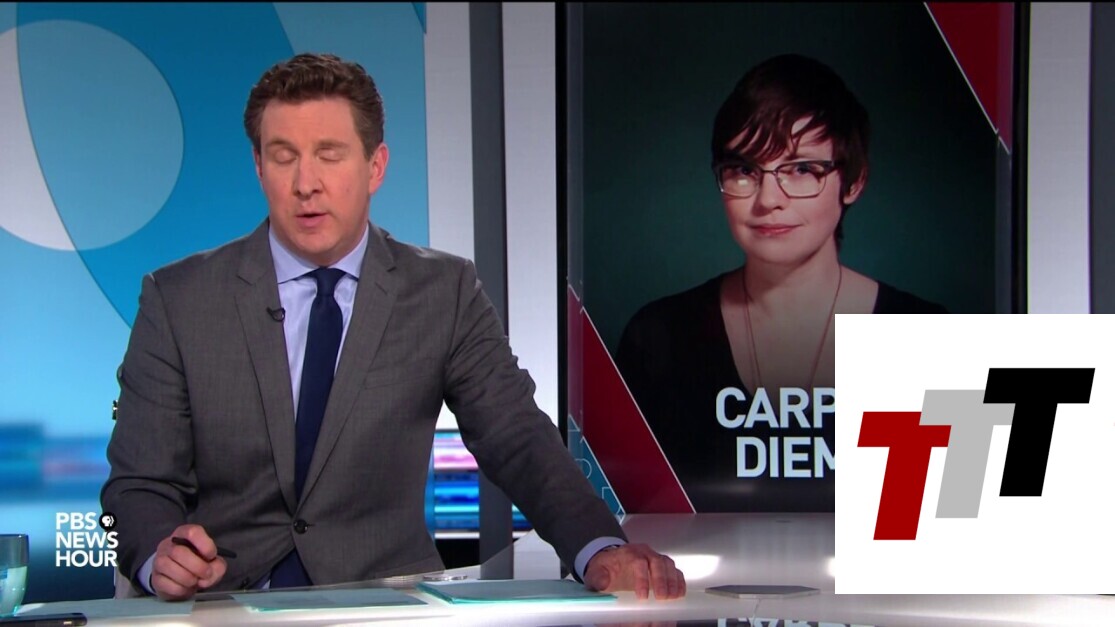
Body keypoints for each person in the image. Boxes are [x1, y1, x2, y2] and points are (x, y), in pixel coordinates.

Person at [102, 52, 684, 601]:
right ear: (259, 167)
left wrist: (599, 548)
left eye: (329, 154)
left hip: (385, 602)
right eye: (283, 156)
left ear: (375, 166)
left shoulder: (442, 291)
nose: (306, 183)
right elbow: (139, 483)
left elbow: (516, 437)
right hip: (224, 604)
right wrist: (160, 559)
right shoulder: (179, 299)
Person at [616, 54, 946, 512]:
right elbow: (625, 519)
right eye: (744, 171)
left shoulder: (934, 337)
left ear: (853, 182)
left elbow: (961, 529)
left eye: (801, 170)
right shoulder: (658, 337)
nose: (769, 199)